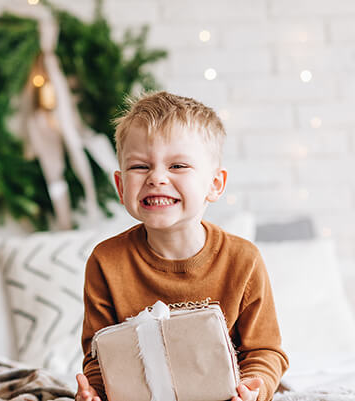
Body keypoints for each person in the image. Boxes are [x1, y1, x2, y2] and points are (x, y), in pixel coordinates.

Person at [74, 91, 289, 401]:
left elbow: (265, 351)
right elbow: (98, 355)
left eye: (177, 166)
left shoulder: (244, 260)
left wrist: (256, 385)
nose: (157, 178)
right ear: (121, 187)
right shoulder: (105, 261)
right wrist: (94, 392)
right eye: (140, 167)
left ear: (214, 185)